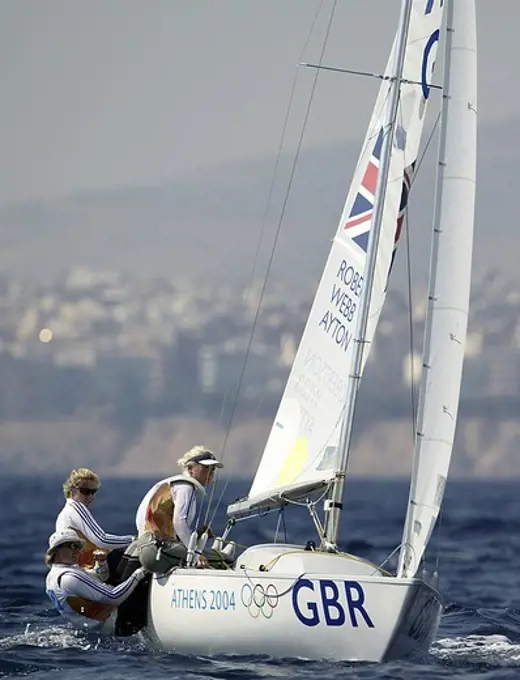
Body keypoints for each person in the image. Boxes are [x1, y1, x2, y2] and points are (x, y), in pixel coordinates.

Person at [127, 446, 231, 573]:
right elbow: (179, 522)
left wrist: (196, 536)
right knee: (224, 560)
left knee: (202, 552)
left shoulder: (170, 484)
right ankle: (221, 556)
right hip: (157, 552)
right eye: (206, 468)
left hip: (148, 547)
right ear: (191, 469)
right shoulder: (185, 486)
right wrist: (196, 554)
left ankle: (215, 553)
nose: (210, 473)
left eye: (213, 469)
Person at [45, 529, 149, 636]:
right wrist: (141, 572)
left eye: (78, 546)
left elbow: (97, 579)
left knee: (132, 548)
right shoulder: (69, 577)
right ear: (56, 551)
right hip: (113, 624)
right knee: (131, 552)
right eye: (71, 546)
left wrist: (101, 563)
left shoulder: (53, 575)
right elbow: (114, 597)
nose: (77, 551)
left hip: (93, 628)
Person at [55, 468, 134, 580]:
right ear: (72, 491)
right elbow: (102, 540)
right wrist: (135, 540)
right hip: (91, 570)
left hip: (82, 570)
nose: (91, 497)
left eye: (93, 492)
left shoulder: (64, 513)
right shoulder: (76, 507)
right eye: (86, 492)